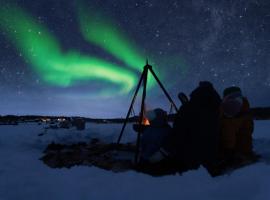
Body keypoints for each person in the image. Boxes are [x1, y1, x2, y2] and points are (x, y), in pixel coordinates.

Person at [163, 81, 222, 171]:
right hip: (213, 153)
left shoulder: (188, 108)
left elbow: (178, 130)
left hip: (189, 155)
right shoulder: (219, 109)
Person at [219, 86, 254, 162]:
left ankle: (242, 153)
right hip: (231, 151)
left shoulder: (244, 112)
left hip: (238, 150)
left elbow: (246, 135)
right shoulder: (227, 113)